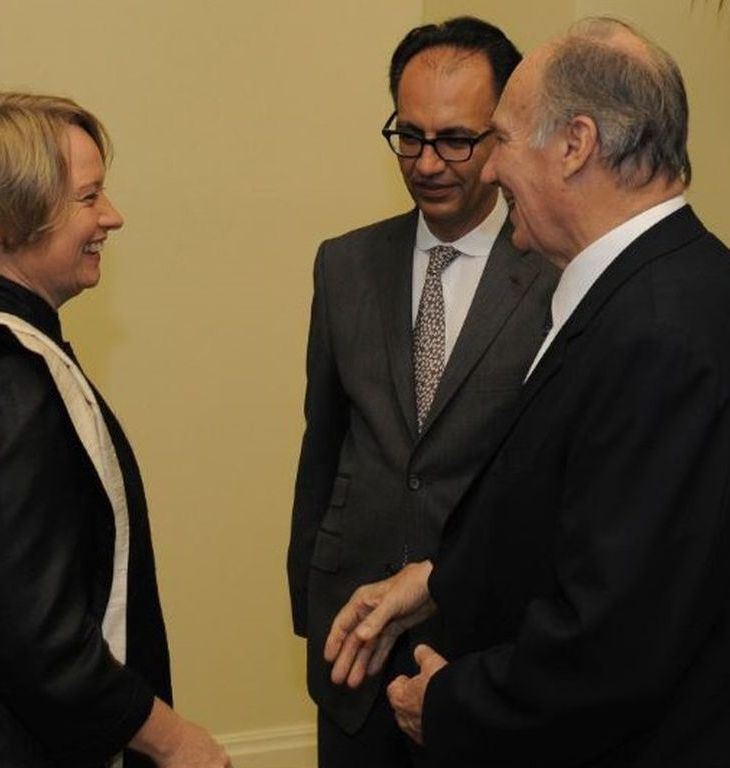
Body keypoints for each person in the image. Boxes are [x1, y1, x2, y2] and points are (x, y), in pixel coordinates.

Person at [325, 16, 730, 767]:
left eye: (500, 139)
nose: (487, 170)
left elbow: (616, 638)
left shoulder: (657, 331)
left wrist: (450, 705)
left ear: (574, 145)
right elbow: (577, 522)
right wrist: (441, 582)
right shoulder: (658, 289)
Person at [287, 16, 558, 768]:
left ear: (503, 134)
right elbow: (325, 442)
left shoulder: (555, 274)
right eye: (409, 136)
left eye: (456, 140)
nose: (428, 162)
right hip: (353, 648)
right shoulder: (343, 266)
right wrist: (310, 599)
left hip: (489, 650)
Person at [0, 92, 229, 768]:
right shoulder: (16, 377)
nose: (112, 217)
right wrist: (175, 740)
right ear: (19, 215)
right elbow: (33, 631)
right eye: (88, 197)